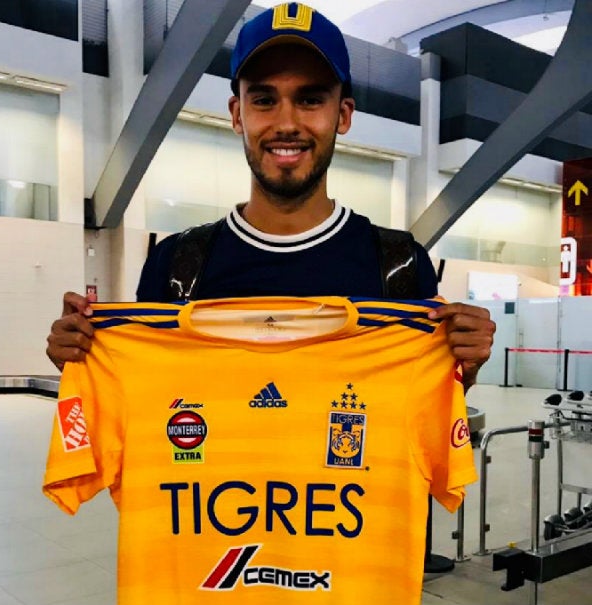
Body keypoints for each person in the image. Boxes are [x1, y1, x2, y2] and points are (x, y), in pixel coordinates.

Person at [46, 2, 495, 390]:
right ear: (237, 114)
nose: (286, 123)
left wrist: (462, 369)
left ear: (343, 115)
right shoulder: (175, 265)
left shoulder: (400, 266)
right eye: (263, 100)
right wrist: (86, 360)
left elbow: (418, 412)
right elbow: (148, 403)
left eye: (310, 99)